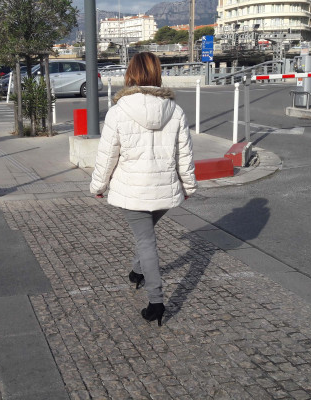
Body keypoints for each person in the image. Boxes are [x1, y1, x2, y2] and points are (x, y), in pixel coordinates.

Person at [90, 52, 198, 327]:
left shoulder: (118, 111)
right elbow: (183, 154)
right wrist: (188, 185)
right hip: (165, 190)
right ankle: (137, 271)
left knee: (146, 242)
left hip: (133, 190)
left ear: (131, 74)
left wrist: (98, 186)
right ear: (157, 74)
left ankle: (156, 302)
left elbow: (107, 155)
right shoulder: (175, 110)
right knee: (146, 236)